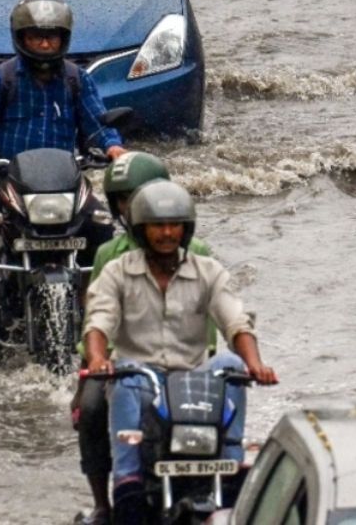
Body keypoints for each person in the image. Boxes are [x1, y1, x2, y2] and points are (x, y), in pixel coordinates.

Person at [83, 181, 277, 525]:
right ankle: (126, 488)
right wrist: (98, 359)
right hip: (141, 380)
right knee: (123, 377)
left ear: (186, 230)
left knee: (230, 365)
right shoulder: (117, 271)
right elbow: (99, 321)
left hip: (193, 382)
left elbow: (236, 322)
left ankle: (229, 472)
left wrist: (255, 364)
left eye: (175, 225)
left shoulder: (208, 271)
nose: (167, 233)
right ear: (141, 230)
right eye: (158, 226)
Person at [0, 0, 125, 344]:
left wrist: (114, 147)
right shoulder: (2, 79)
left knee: (102, 227)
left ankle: (89, 303)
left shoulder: (78, 80)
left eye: (52, 36)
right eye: (36, 36)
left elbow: (98, 122)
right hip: (6, 177)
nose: (45, 43)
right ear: (21, 38)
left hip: (65, 179)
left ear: (64, 39)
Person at [71, 154, 214, 525]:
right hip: (123, 369)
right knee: (91, 411)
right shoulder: (108, 255)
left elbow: (214, 317)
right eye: (123, 199)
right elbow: (96, 322)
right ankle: (103, 503)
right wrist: (89, 371)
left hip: (184, 364)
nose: (131, 206)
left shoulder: (198, 255)